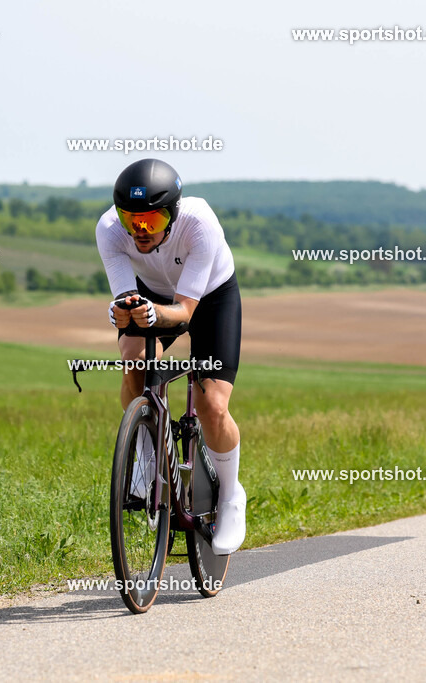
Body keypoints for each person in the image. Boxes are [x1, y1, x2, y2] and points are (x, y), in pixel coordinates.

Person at [97, 158, 245, 555]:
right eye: (132, 221)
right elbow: (125, 297)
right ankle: (146, 447)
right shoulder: (108, 229)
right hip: (153, 293)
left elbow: (184, 312)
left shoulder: (199, 224)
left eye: (152, 220)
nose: (141, 231)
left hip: (209, 298)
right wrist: (122, 311)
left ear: (173, 214)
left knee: (212, 404)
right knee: (133, 358)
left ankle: (231, 495)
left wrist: (150, 314)